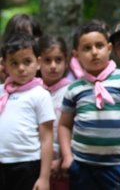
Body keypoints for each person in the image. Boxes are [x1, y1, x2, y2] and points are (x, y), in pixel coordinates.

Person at [59, 20, 120, 189]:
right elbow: (64, 124)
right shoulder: (74, 88)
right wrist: (67, 158)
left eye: (99, 46)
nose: (94, 52)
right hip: (82, 166)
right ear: (76, 55)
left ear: (108, 49)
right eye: (86, 48)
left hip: (118, 166)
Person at [0, 33, 54, 190]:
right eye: (14, 63)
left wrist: (44, 178)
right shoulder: (1, 91)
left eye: (27, 62)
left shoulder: (40, 94)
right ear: (5, 65)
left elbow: (47, 138)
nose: (21, 68)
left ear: (38, 63)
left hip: (27, 164)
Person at [37, 35, 72, 190]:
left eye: (58, 60)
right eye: (47, 60)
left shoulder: (72, 91)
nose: (53, 66)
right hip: (35, 165)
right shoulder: (33, 92)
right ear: (38, 62)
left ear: (66, 62)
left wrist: (62, 160)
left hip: (63, 166)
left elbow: (75, 130)